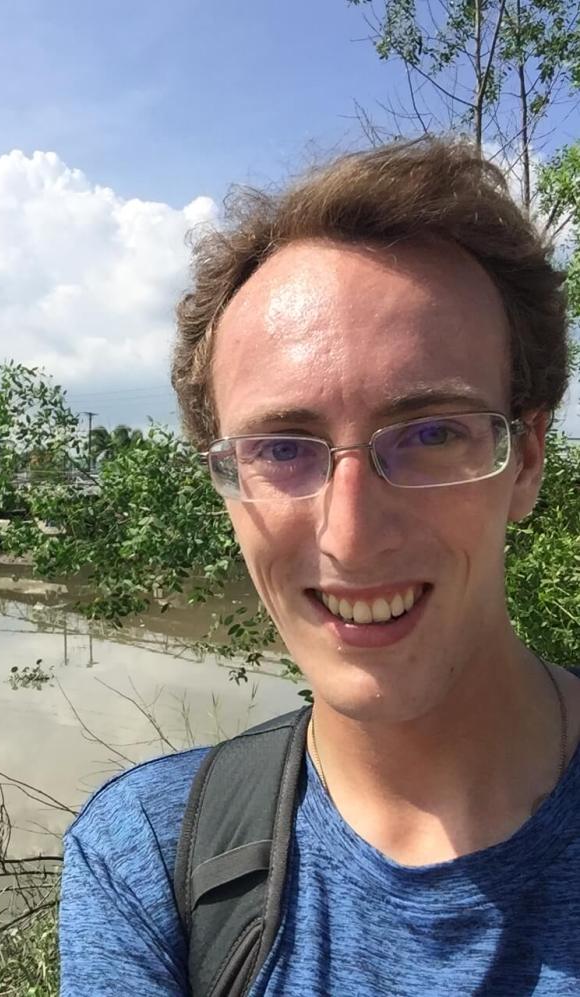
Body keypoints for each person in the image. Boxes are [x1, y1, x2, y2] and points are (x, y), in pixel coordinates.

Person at [59, 137, 580, 995]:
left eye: (433, 432)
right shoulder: (151, 860)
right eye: (282, 448)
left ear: (524, 461)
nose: (350, 533)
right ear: (226, 488)